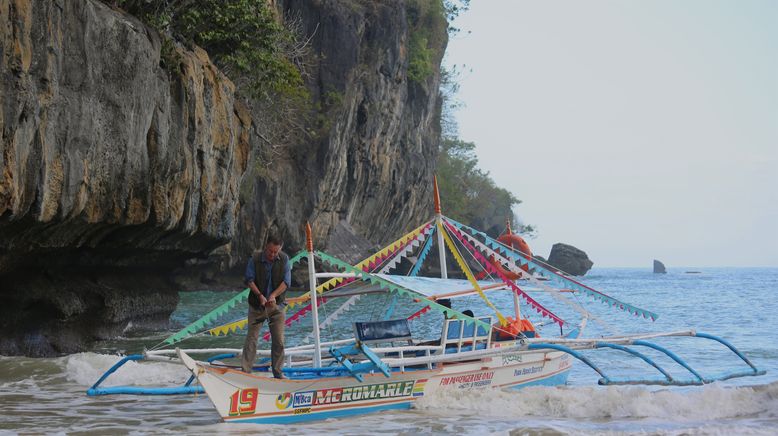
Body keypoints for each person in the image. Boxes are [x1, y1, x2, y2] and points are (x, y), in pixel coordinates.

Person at [241, 234, 290, 378]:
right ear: (265, 247)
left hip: (277, 307)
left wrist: (273, 296)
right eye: (270, 251)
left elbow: (286, 282)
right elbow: (249, 280)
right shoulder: (255, 259)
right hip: (257, 306)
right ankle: (245, 373)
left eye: (276, 252)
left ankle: (278, 373)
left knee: (279, 341)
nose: (273, 255)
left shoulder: (285, 259)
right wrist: (260, 296)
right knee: (251, 340)